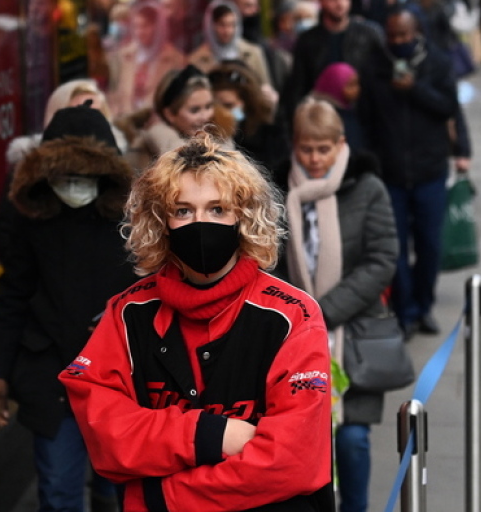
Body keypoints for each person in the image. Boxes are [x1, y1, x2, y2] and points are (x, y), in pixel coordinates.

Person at [59, 133, 335, 511]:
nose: (200, 223)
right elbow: (107, 437)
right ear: (161, 220)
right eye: (183, 210)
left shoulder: (293, 316)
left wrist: (162, 497)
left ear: (243, 215)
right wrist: (210, 434)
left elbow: (294, 461)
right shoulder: (126, 313)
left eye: (218, 209)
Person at [0, 104, 137, 512]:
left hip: (123, 377)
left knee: (123, 488)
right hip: (52, 372)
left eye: (84, 176)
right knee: (58, 491)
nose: (74, 186)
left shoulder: (133, 221)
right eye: (65, 176)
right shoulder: (29, 213)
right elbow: (14, 290)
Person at [273, 99, 398, 512]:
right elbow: (265, 259)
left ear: (340, 143)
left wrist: (321, 312)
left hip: (352, 334)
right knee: (302, 441)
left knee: (352, 438)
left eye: (323, 149)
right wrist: (296, 315)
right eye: (306, 149)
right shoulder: (276, 190)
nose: (314, 159)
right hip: (292, 340)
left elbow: (382, 258)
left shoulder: (366, 186)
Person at [359, 9, 470, 338]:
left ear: (417, 32)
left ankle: (424, 306)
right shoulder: (375, 65)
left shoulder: (437, 61)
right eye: (393, 36)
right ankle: (405, 311)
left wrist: (415, 89)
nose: (399, 42)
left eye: (405, 36)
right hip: (390, 172)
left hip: (429, 169)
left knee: (429, 245)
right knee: (394, 247)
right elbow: (366, 118)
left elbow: (448, 106)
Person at [284, 0, 390, 124]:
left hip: (362, 116)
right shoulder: (308, 40)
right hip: (321, 116)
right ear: (321, 1)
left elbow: (382, 77)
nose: (340, 4)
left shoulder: (369, 34)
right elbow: (298, 84)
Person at [130, 65, 223, 168]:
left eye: (208, 106)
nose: (205, 116)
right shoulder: (142, 150)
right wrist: (159, 133)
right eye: (195, 110)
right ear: (170, 114)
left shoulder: (222, 136)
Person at [107, 1, 186, 116]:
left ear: (159, 27)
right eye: (136, 26)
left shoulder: (176, 60)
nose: (140, 32)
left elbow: (178, 100)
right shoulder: (123, 56)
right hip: (124, 120)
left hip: (159, 122)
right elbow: (113, 93)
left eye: (145, 26)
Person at [208, 62, 288, 169]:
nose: (221, 111)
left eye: (228, 105)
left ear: (245, 102)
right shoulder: (202, 132)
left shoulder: (268, 130)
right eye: (214, 105)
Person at [187, 0, 270, 88]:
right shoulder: (197, 60)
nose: (227, 31)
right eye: (222, 25)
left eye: (232, 25)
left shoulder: (253, 53)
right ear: (211, 26)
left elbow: (265, 87)